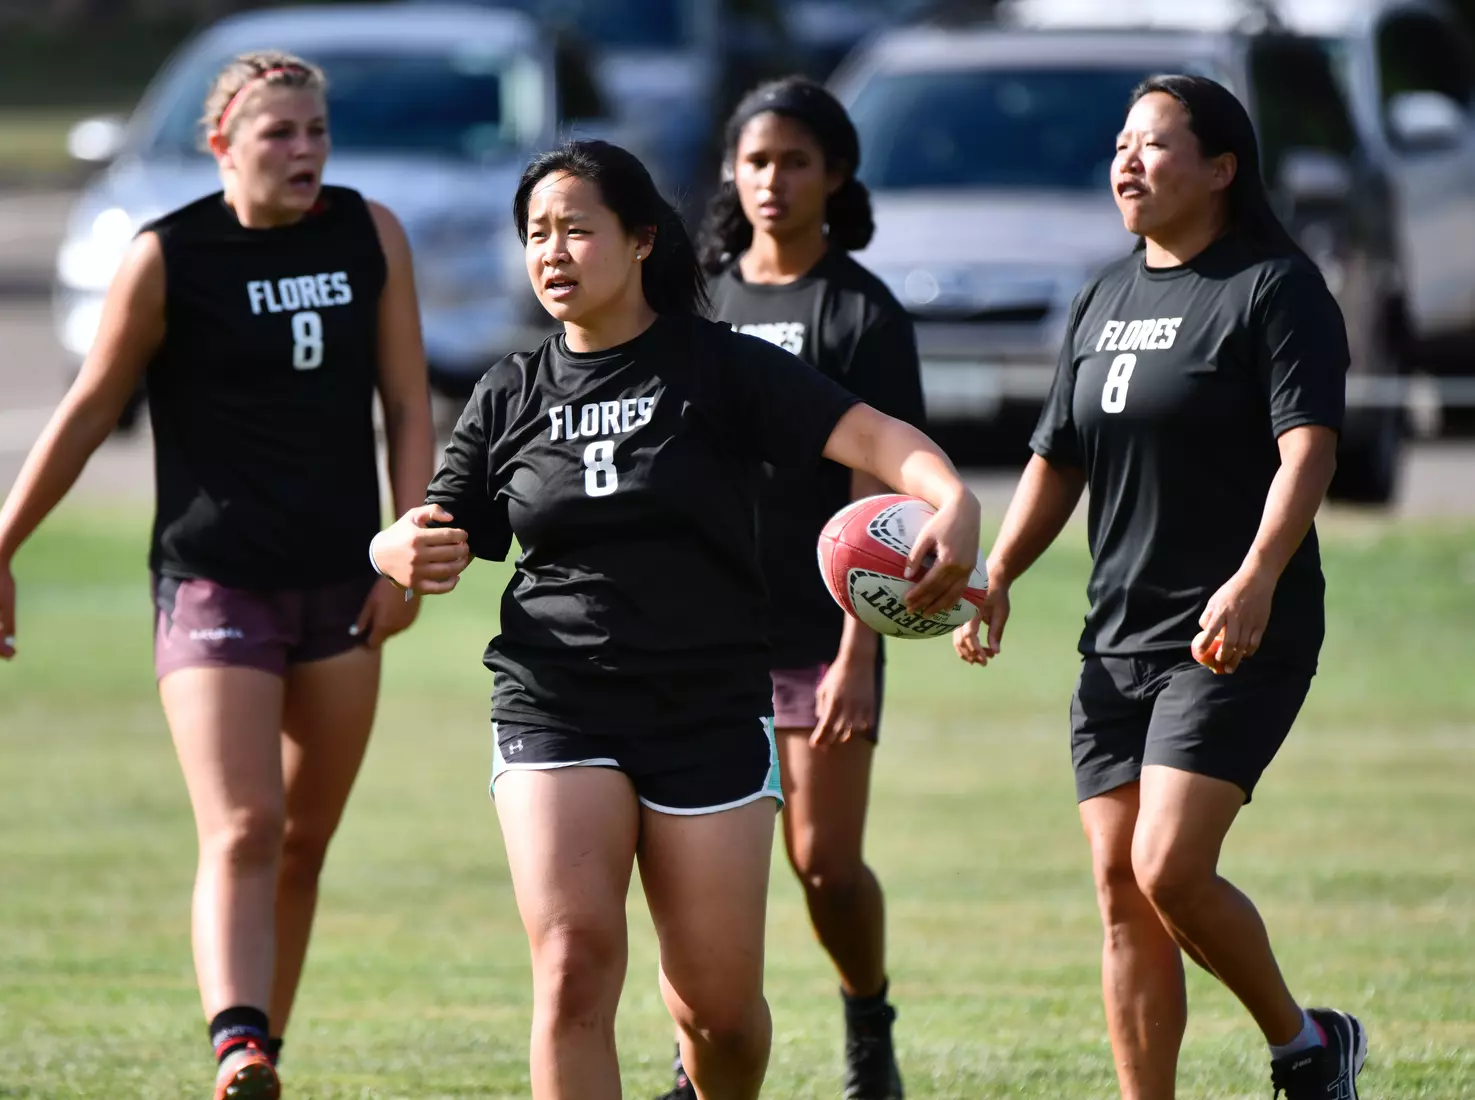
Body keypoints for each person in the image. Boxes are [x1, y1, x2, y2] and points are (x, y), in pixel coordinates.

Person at [367, 139, 981, 1100]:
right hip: (554, 701)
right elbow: (430, 528)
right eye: (536, 234)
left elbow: (876, 437)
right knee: (571, 967)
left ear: (641, 239)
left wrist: (952, 500)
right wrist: (392, 550)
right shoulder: (508, 393)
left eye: (577, 229)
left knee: (721, 1018)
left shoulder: (719, 368)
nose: (553, 252)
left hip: (707, 708)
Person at [0, 52, 435, 1100]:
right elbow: (91, 408)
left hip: (340, 583)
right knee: (245, 823)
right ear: (220, 144)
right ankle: (235, 1040)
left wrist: (404, 550)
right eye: (280, 134)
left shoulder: (371, 234)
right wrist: (2, 542)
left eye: (316, 131)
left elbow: (407, 405)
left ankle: (263, 1049)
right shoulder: (169, 254)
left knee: (306, 841)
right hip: (214, 582)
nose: (306, 151)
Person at [952, 74, 1366, 1100]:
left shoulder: (1273, 286)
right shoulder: (1102, 292)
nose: (1126, 161)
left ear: (1221, 169)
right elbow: (1057, 454)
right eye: (1121, 145)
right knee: (1120, 892)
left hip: (1231, 627)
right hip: (1115, 637)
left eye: (1155, 145)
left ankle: (1305, 1043)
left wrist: (1257, 573)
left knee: (1168, 865)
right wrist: (998, 570)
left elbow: (1307, 450)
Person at [644, 76, 927, 1100]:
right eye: (756, 160)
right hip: (705, 635)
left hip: (820, 636)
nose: (772, 179)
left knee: (823, 865)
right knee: (700, 864)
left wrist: (861, 648)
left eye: (795, 161)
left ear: (834, 174)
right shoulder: (699, 300)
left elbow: (878, 500)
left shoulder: (859, 310)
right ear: (731, 169)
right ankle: (694, 1057)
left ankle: (866, 1015)